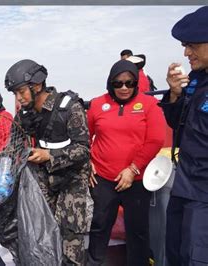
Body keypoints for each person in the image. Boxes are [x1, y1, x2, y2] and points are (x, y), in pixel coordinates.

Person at [4, 59, 92, 265]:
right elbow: (13, 146)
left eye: (21, 92)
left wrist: (49, 155)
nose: (18, 98)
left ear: (37, 86)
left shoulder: (69, 107)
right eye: (14, 93)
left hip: (72, 180)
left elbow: (83, 150)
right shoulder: (24, 115)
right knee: (40, 231)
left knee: (71, 237)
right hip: (45, 180)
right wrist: (2, 158)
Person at [86, 60, 165, 266]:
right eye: (118, 83)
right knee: (99, 225)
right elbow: (84, 135)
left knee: (137, 229)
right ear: (110, 83)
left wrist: (133, 169)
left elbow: (155, 139)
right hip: (103, 177)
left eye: (129, 83)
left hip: (137, 179)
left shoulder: (149, 104)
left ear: (136, 83)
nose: (123, 88)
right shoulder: (97, 104)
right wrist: (87, 161)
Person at [159, 6, 208, 265]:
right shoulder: (198, 81)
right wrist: (175, 94)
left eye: (192, 45)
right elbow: (178, 124)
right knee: (176, 252)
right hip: (184, 186)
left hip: (204, 195)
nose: (186, 52)